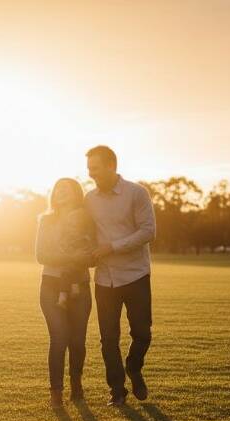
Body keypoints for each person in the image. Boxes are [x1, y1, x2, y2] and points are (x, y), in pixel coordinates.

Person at [85, 145, 156, 405]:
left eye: (95, 168)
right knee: (108, 339)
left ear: (111, 165)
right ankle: (117, 390)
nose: (91, 173)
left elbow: (148, 232)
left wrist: (112, 247)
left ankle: (134, 368)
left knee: (142, 333)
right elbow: (84, 232)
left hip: (136, 275)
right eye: (89, 168)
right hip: (105, 279)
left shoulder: (137, 193)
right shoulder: (89, 199)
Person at [35, 178, 94, 406]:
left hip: (80, 285)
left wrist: (84, 256)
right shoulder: (46, 221)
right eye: (57, 188)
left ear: (76, 194)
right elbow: (41, 256)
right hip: (51, 285)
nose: (60, 192)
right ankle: (56, 391)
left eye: (66, 189)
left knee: (78, 340)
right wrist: (72, 257)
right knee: (59, 338)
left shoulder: (86, 220)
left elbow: (91, 256)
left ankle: (76, 384)